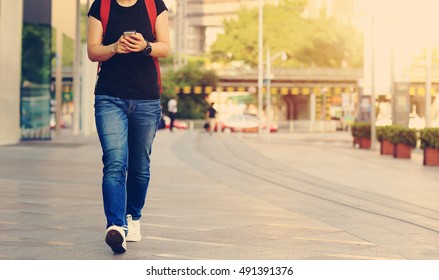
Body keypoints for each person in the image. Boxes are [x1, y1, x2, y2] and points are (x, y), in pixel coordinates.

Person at [87, 0, 170, 254]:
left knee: (140, 165)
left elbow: (165, 48)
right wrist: (113, 47)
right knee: (114, 162)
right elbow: (93, 52)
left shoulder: (154, 5)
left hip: (146, 98)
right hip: (110, 97)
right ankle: (115, 225)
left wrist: (145, 46)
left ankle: (133, 216)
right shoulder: (100, 6)